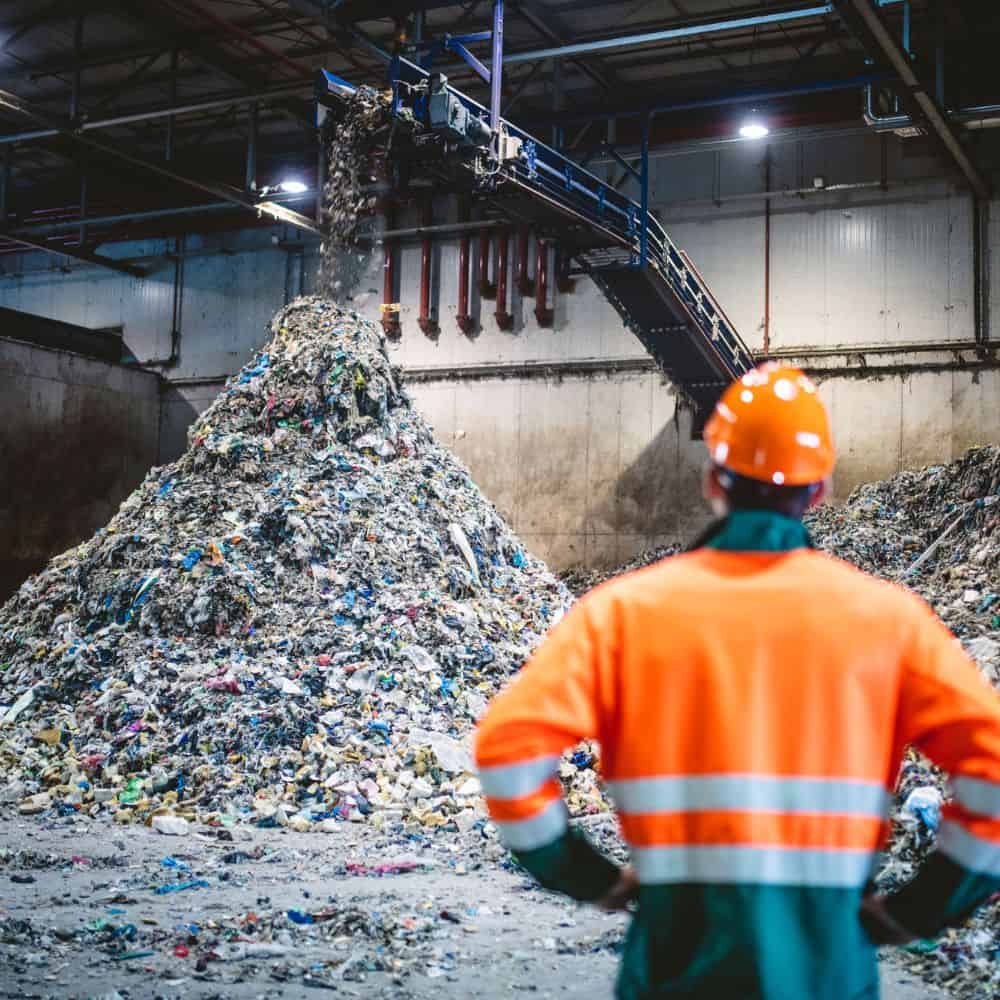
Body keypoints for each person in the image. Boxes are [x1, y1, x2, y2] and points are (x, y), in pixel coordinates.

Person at [474, 363, 1000, 999]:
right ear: (820, 491)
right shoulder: (890, 621)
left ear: (712, 480)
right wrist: (923, 907)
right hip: (827, 971)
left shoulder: (622, 614)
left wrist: (586, 875)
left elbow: (507, 751)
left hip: (673, 970)